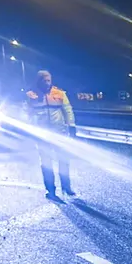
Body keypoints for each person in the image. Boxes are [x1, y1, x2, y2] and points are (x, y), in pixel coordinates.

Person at [25, 70, 77, 201]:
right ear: (39, 81)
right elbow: (27, 113)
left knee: (64, 161)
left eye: (49, 80)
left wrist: (71, 126)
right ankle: (51, 190)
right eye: (45, 80)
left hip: (59, 133)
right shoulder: (31, 95)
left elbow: (67, 110)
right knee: (47, 163)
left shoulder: (59, 93)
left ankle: (66, 187)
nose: (48, 83)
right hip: (42, 135)